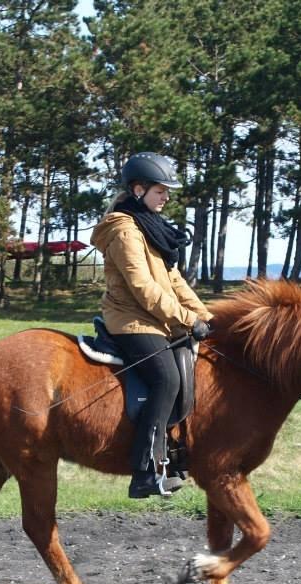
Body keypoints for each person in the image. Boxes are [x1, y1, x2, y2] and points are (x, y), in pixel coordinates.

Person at [90, 152, 213, 499]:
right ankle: (144, 469)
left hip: (156, 320)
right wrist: (187, 319)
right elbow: (143, 288)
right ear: (138, 189)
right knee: (166, 378)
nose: (167, 197)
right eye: (161, 190)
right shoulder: (124, 231)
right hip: (131, 320)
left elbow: (174, 281)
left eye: (167, 191)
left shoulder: (149, 227)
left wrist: (205, 316)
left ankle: (174, 452)